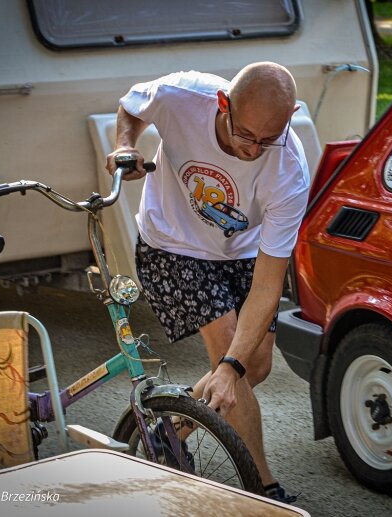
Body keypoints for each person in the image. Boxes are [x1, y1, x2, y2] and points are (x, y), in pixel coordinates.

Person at [104, 62, 309, 503]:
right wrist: (124, 143)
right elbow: (131, 105)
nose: (254, 151)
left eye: (267, 140)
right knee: (229, 349)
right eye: (245, 135)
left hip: (241, 251)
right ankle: (263, 488)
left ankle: (173, 425)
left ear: (290, 115)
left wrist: (234, 368)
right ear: (223, 105)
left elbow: (267, 288)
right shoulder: (183, 95)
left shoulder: (289, 172)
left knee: (252, 366)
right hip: (173, 246)